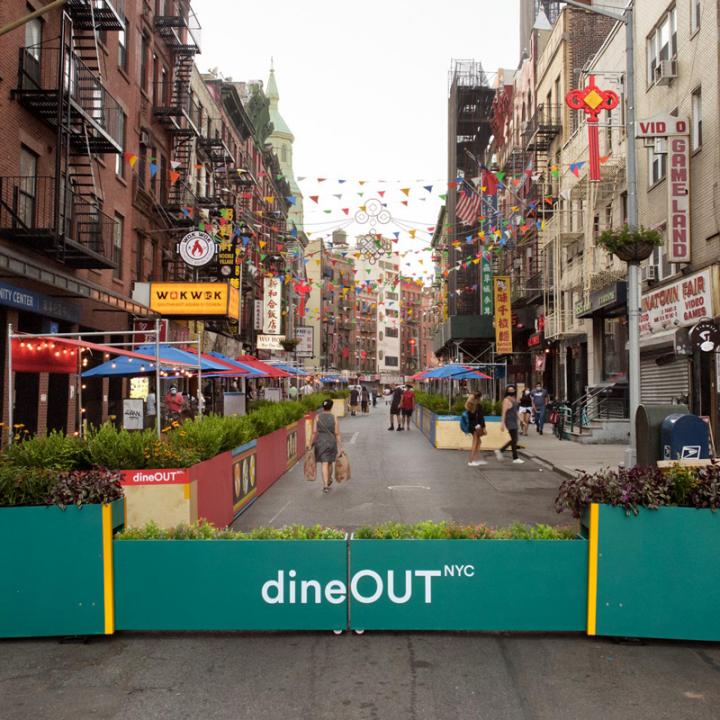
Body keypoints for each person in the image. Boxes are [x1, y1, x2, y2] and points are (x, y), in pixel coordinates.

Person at [311, 398, 343, 493]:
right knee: (329, 463)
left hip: (320, 442)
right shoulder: (334, 417)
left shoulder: (317, 417)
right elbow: (337, 433)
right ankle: (328, 479)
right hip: (331, 442)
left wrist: (309, 443)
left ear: (323, 407)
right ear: (331, 407)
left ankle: (325, 485)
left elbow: (314, 432)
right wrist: (341, 447)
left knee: (324, 463)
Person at [495, 385, 524, 464]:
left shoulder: (514, 399)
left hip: (514, 421)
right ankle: (514, 457)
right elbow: (503, 412)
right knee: (514, 439)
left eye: (512, 390)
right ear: (507, 391)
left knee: (514, 440)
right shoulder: (506, 400)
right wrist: (502, 424)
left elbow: (516, 411)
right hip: (509, 421)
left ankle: (502, 451)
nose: (511, 391)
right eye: (509, 390)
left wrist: (521, 420)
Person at [465, 392, 487, 466]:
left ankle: (476, 458)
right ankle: (471, 460)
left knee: (478, 442)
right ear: (479, 398)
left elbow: (470, 417)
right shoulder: (478, 405)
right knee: (475, 443)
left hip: (471, 426)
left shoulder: (469, 404)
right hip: (477, 426)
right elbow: (481, 418)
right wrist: (483, 427)